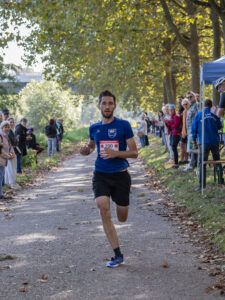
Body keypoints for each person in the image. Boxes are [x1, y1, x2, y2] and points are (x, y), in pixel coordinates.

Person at [80, 90, 138, 268]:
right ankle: (117, 254)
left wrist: (116, 153)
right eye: (103, 103)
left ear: (114, 106)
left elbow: (134, 153)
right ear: (99, 106)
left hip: (121, 176)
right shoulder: (94, 128)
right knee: (103, 209)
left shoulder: (124, 125)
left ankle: (117, 201)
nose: (107, 106)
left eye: (110, 103)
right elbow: (91, 146)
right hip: (101, 175)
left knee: (122, 217)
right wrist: (86, 150)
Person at [192, 99, 223, 190]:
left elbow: (194, 129)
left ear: (204, 105)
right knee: (217, 160)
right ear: (211, 105)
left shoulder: (198, 115)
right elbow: (220, 126)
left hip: (204, 142)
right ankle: (221, 181)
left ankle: (202, 185)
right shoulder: (215, 115)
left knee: (202, 163)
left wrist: (194, 141)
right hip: (215, 141)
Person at [162, 104, 181, 169]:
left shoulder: (176, 116)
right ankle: (175, 162)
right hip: (172, 133)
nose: (170, 111)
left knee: (174, 147)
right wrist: (166, 122)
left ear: (175, 110)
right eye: (170, 110)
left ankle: (176, 163)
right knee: (172, 147)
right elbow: (169, 127)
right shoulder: (172, 117)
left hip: (176, 133)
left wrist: (169, 122)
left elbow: (175, 125)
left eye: (172, 110)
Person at [184, 91, 199, 171]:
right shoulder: (190, 106)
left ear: (194, 97)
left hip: (194, 131)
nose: (189, 98)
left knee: (193, 148)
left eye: (190, 97)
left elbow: (198, 117)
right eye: (188, 97)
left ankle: (192, 165)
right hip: (190, 131)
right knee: (192, 148)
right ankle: (193, 164)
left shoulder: (196, 105)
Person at [0, 121, 15, 199]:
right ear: (2, 128)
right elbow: (0, 151)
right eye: (5, 127)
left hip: (3, 160)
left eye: (8, 127)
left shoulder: (6, 136)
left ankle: (1, 194)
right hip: (2, 159)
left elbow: (10, 146)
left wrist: (12, 153)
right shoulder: (1, 136)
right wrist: (8, 156)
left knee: (1, 177)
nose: (7, 128)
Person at [5, 118, 21, 189]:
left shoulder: (11, 131)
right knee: (12, 168)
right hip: (10, 151)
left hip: (10, 151)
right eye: (10, 122)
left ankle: (8, 183)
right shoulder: (9, 131)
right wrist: (17, 138)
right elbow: (13, 142)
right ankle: (13, 184)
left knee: (9, 168)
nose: (12, 123)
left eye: (13, 122)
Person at [180, 98, 190, 164]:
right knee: (182, 144)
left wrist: (185, 132)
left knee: (186, 145)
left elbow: (187, 123)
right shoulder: (184, 111)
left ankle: (186, 159)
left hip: (188, 131)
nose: (184, 106)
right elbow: (184, 123)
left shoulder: (189, 111)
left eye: (186, 104)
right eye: (183, 105)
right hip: (184, 131)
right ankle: (184, 159)